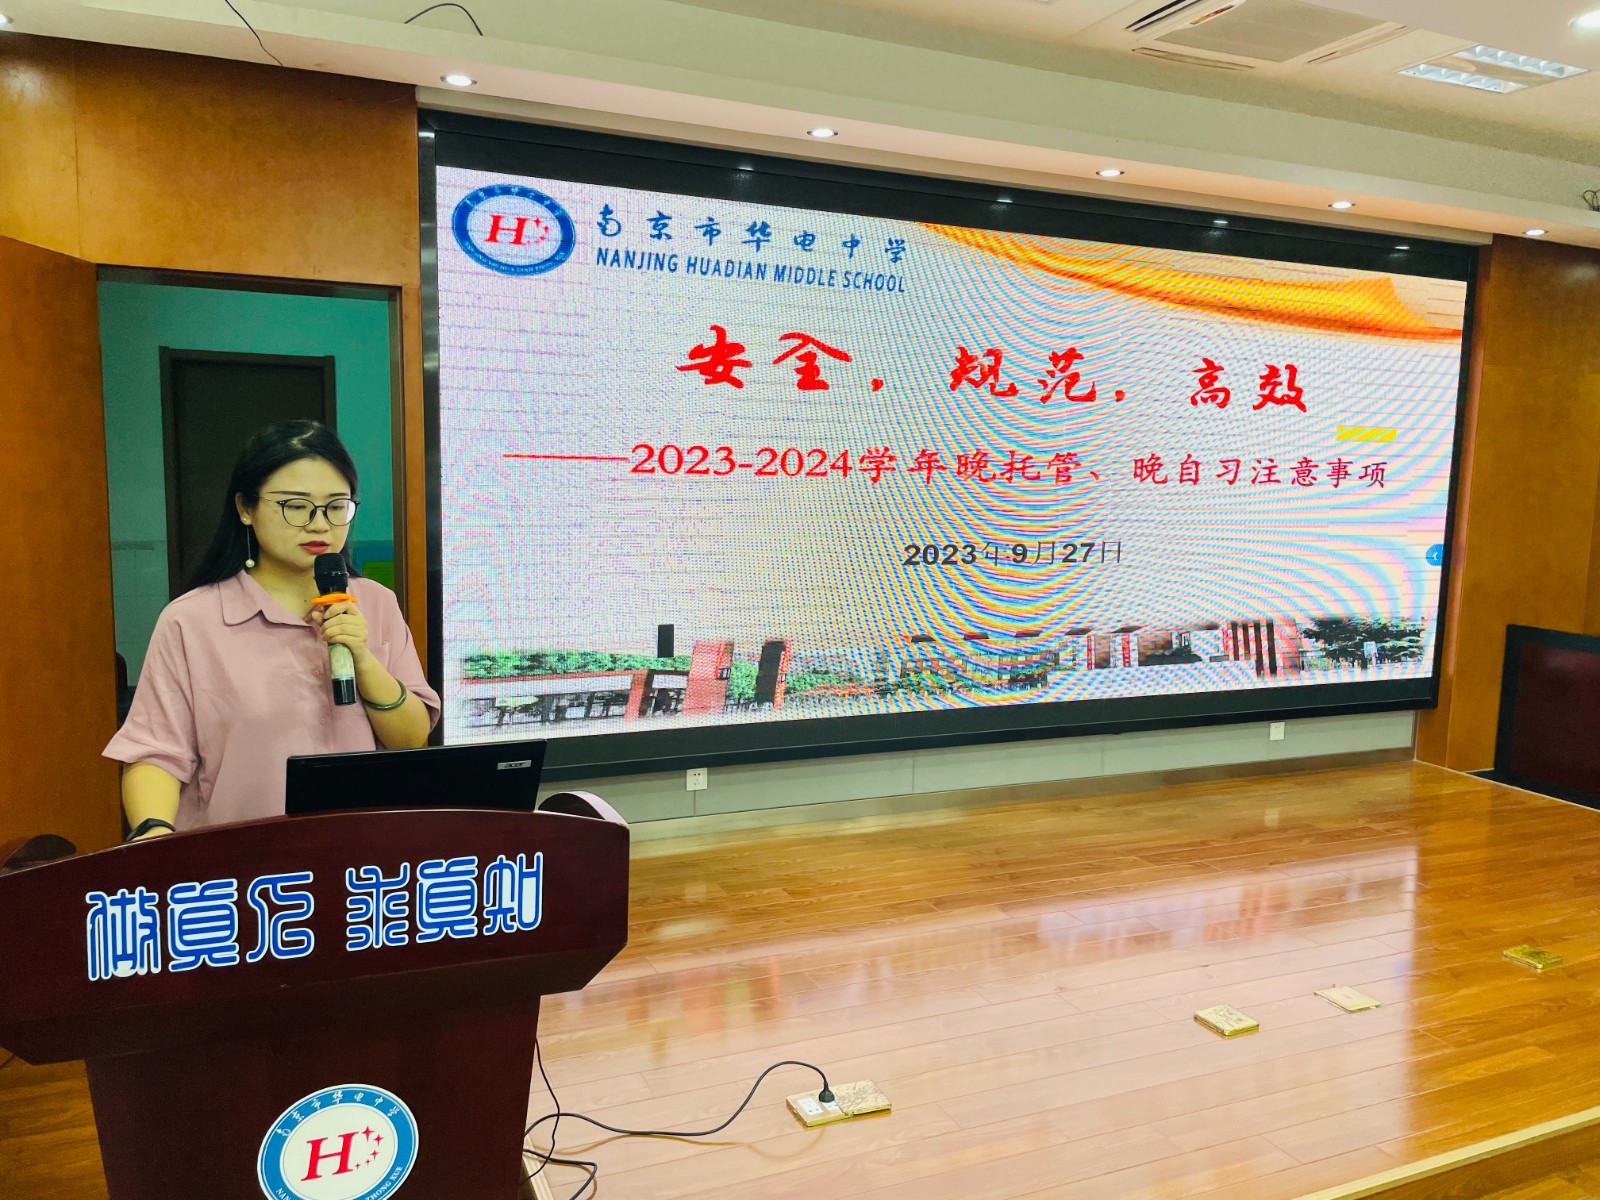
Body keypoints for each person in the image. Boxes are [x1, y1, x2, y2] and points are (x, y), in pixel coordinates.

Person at [105, 421, 439, 839]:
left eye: (336, 506)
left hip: (355, 857)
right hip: (236, 861)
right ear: (245, 507)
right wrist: (154, 832)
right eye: (296, 506)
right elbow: (155, 754)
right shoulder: (191, 621)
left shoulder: (376, 602)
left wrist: (363, 659)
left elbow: (411, 739)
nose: (319, 524)